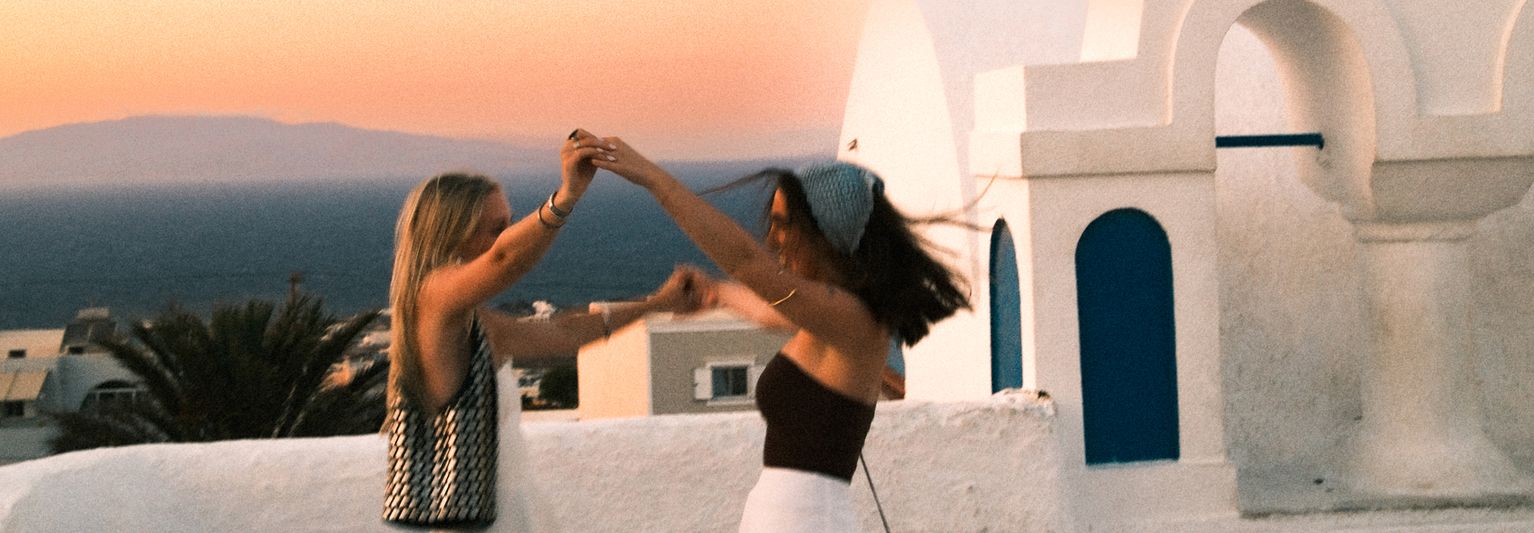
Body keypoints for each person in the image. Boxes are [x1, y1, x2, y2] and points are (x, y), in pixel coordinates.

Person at [593, 140, 970, 532]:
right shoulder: (828, 315)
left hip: (808, 520)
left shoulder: (851, 316)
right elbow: (767, 309)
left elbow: (746, 261)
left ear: (822, 231)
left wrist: (654, 179)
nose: (773, 239)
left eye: (783, 223)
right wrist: (715, 293)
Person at [381, 130, 703, 530]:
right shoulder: (430, 296)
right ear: (453, 234)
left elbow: (563, 334)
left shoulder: (474, 324)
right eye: (496, 226)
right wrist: (565, 198)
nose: (508, 234)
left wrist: (658, 304)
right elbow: (505, 260)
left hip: (501, 516)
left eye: (510, 223)